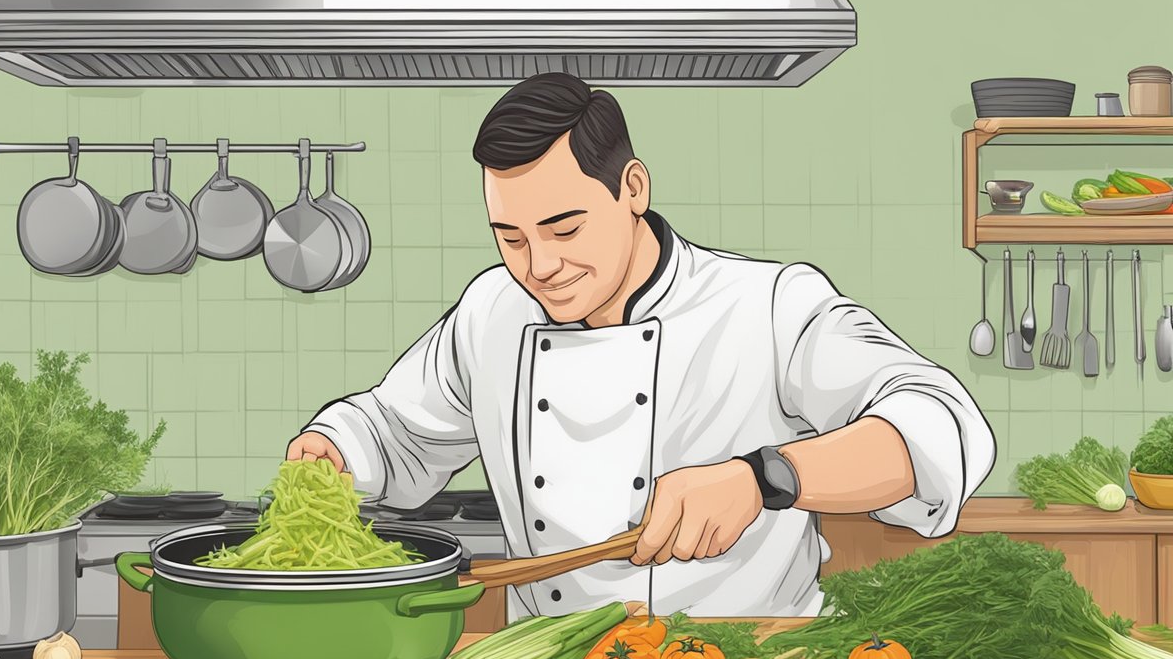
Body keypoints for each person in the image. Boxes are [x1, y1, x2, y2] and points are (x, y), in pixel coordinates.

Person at [287, 72, 994, 619]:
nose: (539, 267)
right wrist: (337, 447)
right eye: (511, 238)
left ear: (632, 187)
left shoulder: (766, 306)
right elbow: (397, 431)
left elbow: (938, 424)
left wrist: (765, 476)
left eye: (564, 230)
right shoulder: (492, 311)